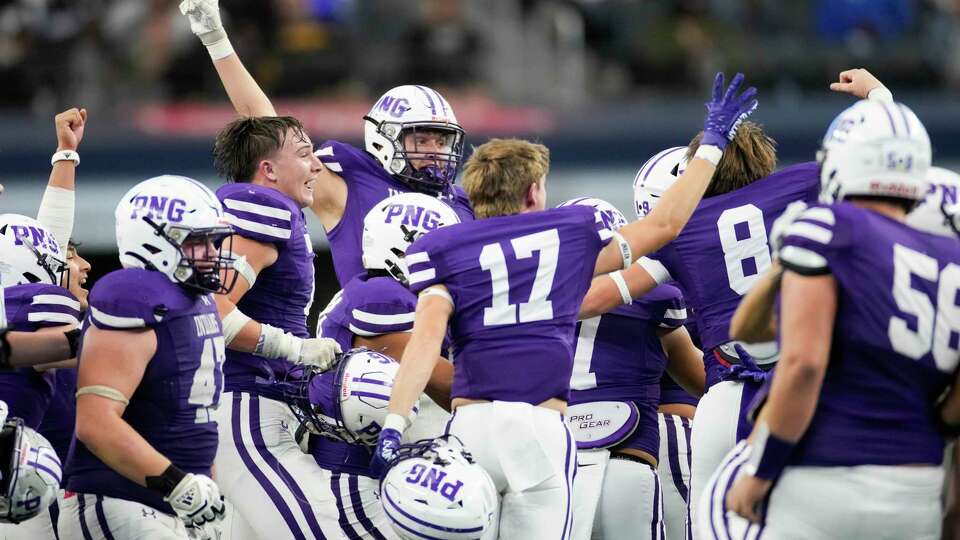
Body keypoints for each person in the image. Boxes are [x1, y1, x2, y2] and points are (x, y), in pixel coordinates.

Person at [373, 72, 758, 538]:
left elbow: (423, 345)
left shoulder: (441, 246)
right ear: (535, 191)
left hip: (468, 428)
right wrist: (713, 143)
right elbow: (665, 225)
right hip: (537, 427)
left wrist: (394, 424)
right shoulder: (567, 235)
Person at [706, 97, 954, 540]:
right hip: (918, 485)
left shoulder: (829, 227)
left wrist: (761, 472)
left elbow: (785, 353)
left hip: (824, 473)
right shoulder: (952, 258)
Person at [179, 0, 474, 287]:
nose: (434, 151)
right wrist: (216, 40)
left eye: (442, 140)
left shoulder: (460, 202)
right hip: (373, 330)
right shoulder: (352, 186)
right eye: (421, 139)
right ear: (385, 139)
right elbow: (267, 127)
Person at [59, 175, 233, 540]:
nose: (213, 253)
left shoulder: (196, 300)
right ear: (155, 240)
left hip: (170, 503)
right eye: (199, 241)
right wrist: (178, 484)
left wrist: (200, 488)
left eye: (214, 241)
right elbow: (95, 423)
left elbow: (191, 419)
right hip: (119, 499)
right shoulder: (134, 297)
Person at [559, 197, 704, 540]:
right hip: (627, 456)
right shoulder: (654, 296)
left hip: (550, 466)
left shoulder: (528, 297)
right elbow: (701, 380)